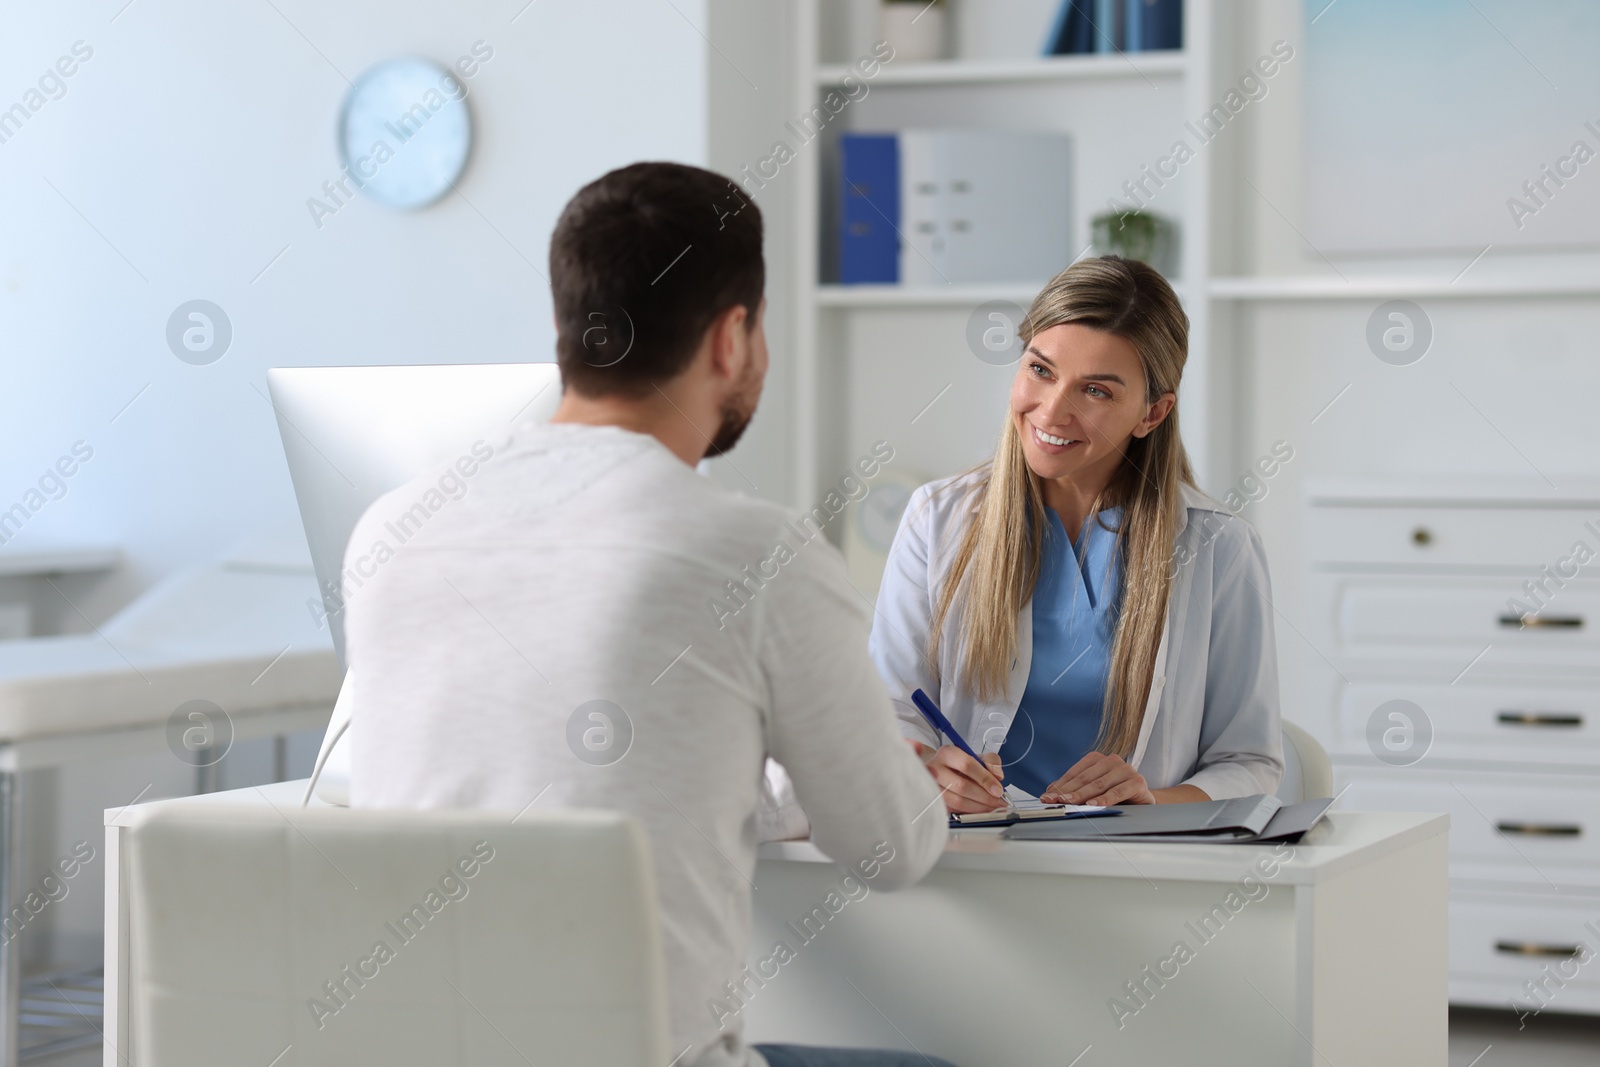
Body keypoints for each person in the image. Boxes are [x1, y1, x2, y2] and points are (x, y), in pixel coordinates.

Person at [343, 161, 956, 1067]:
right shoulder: (753, 552)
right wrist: (907, 784)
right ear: (731, 339)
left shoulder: (390, 528)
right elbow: (890, 849)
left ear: (567, 327)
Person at [871, 256, 1283, 814]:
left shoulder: (1218, 546)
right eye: (1040, 370)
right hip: (974, 859)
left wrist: (1151, 800)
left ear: (1152, 414)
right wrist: (922, 770)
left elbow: (1251, 764)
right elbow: (889, 715)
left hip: (1134, 871)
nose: (1052, 411)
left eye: (1096, 391)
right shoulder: (937, 519)